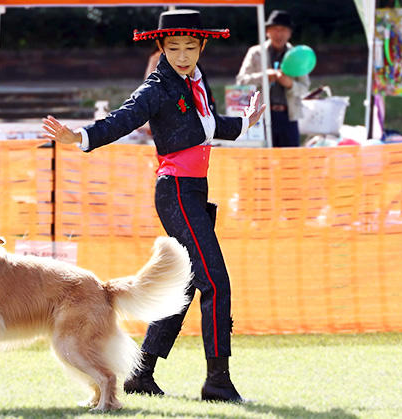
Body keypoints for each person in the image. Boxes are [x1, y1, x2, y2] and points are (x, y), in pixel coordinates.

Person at [42, 9, 265, 403]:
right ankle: (218, 382)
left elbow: (207, 126)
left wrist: (246, 123)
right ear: (160, 46)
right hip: (175, 191)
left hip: (194, 190)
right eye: (174, 47)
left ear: (202, 46)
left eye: (191, 47)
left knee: (190, 282)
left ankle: (141, 375)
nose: (182, 54)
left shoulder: (195, 79)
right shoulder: (158, 86)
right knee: (215, 282)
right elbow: (124, 118)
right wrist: (80, 136)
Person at [236, 9, 310, 147]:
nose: (279, 34)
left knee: (290, 161)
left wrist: (290, 84)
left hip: (288, 116)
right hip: (261, 117)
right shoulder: (256, 53)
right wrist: (264, 76)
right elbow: (241, 81)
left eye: (283, 30)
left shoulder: (297, 56)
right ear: (267, 31)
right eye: (275, 29)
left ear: (290, 33)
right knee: (263, 160)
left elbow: (304, 88)